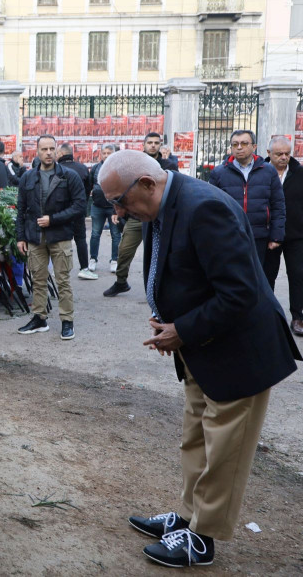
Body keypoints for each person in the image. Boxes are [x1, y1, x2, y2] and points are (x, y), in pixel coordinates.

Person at [98, 150, 299, 568]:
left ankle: (202, 538)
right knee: (196, 439)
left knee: (225, 450)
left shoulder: (204, 207)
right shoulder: (160, 204)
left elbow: (240, 292)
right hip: (201, 348)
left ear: (147, 184)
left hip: (238, 353)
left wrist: (182, 330)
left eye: (119, 201)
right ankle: (188, 516)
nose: (118, 212)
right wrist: (172, 324)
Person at [15, 135, 86, 340]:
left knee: (62, 280)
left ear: (56, 151)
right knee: (38, 279)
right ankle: (39, 318)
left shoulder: (69, 176)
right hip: (35, 237)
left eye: (51, 149)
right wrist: (21, 237)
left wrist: (53, 219)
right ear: (37, 151)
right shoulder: (28, 177)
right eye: (44, 149)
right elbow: (21, 210)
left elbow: (80, 206)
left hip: (60, 235)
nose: (48, 153)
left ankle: (67, 321)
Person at [104, 132, 181, 297]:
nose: (153, 145)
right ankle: (121, 282)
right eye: (150, 142)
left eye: (156, 143)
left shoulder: (168, 165)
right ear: (144, 145)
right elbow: (120, 188)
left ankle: (158, 288)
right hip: (136, 216)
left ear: (160, 145)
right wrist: (116, 211)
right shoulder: (134, 164)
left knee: (159, 253)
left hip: (160, 216)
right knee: (124, 250)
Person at [207, 130, 285, 268]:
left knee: (259, 276)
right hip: (229, 235)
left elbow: (278, 205)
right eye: (235, 144)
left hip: (260, 237)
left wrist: (276, 236)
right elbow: (211, 207)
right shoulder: (219, 173)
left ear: (254, 146)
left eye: (244, 143)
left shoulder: (268, 171)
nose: (239, 147)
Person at [263, 136, 303, 335]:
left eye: (287, 153)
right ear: (269, 153)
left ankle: (298, 317)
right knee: (267, 274)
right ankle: (268, 315)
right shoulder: (260, 172)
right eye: (279, 154)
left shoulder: (299, 173)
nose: (284, 157)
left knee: (298, 274)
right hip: (269, 235)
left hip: (296, 234)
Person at [57, 143, 97, 280]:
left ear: (61, 154)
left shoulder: (56, 169)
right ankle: (84, 268)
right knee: (80, 239)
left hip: (60, 211)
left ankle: (59, 270)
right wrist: (81, 204)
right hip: (78, 210)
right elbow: (88, 188)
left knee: (60, 240)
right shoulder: (82, 168)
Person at [88, 144, 121, 274]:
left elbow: (122, 190)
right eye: (104, 153)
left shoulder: (118, 169)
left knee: (116, 235)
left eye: (109, 153)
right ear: (100, 154)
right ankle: (93, 259)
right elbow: (89, 186)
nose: (106, 155)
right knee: (95, 234)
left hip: (114, 208)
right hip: (97, 207)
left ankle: (114, 260)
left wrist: (117, 209)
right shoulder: (95, 168)